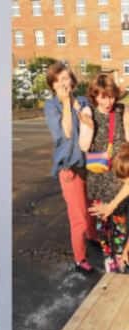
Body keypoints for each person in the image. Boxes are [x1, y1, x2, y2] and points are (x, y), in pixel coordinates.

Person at [42, 63, 100, 275]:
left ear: (73, 81)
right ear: (52, 86)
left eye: (65, 78)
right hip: (70, 168)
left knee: (93, 208)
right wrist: (67, 104)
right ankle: (80, 260)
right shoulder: (52, 106)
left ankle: (93, 237)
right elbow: (65, 133)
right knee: (79, 217)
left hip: (91, 165)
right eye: (56, 80)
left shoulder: (85, 101)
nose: (62, 83)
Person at [78, 73, 129, 273]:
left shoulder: (122, 110)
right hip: (99, 175)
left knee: (120, 218)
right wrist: (89, 128)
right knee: (104, 219)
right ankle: (108, 257)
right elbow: (84, 146)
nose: (108, 102)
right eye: (102, 97)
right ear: (94, 96)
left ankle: (119, 255)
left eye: (110, 96)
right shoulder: (88, 111)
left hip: (119, 174)